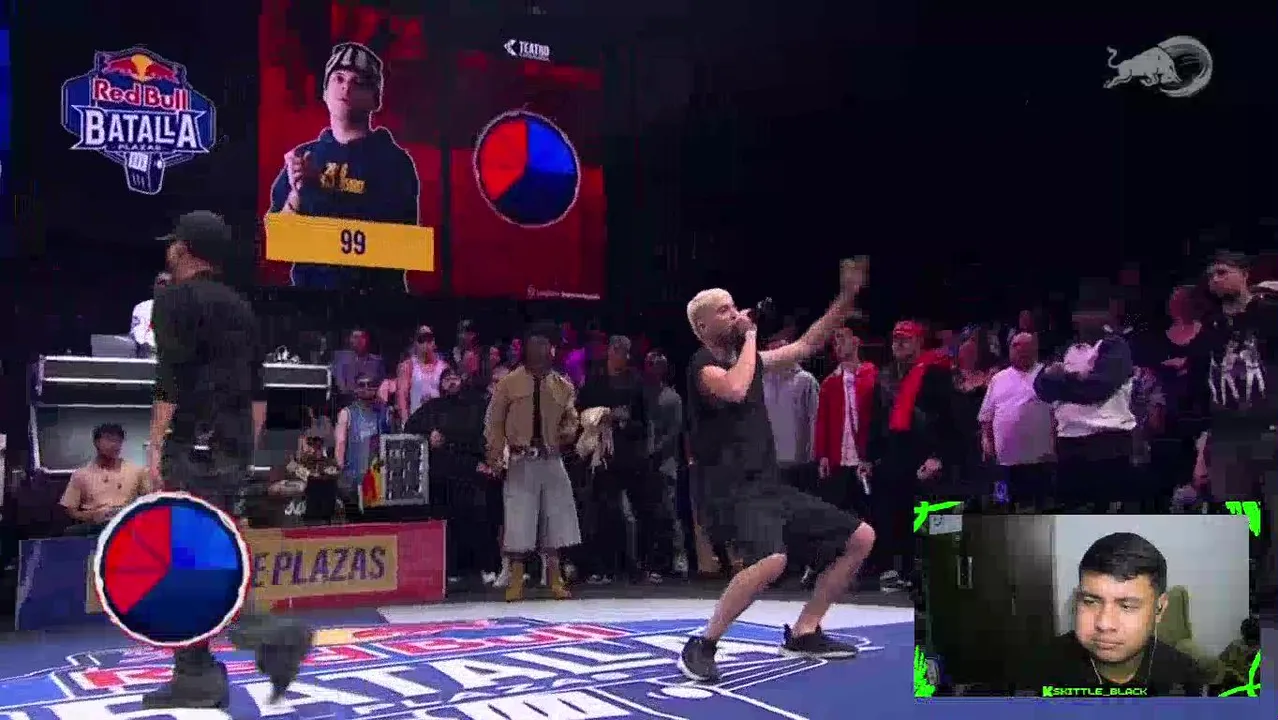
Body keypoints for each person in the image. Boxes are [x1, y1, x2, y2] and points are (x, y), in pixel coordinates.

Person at [145, 211, 313, 709]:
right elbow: (258, 391)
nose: (168, 251)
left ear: (183, 249)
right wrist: (242, 453)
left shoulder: (173, 299)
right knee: (196, 556)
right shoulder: (242, 307)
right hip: (231, 448)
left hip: (192, 448)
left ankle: (270, 636)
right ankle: (196, 672)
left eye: (172, 244)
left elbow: (170, 382)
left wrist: (155, 449)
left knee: (190, 561)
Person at [678, 275, 876, 683]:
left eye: (734, 306)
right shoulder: (703, 366)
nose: (735, 313)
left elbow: (805, 346)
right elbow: (735, 389)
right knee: (772, 559)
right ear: (702, 326)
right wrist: (751, 336)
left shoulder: (748, 361)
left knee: (860, 537)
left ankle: (805, 630)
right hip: (729, 492)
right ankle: (703, 643)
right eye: (723, 311)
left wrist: (844, 298)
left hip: (768, 485)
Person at [267, 41, 419, 291]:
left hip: (375, 303)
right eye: (338, 78)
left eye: (358, 82)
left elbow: (398, 248)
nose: (346, 87)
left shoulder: (394, 162)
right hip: (310, 302)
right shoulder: (303, 157)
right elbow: (277, 243)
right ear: (325, 91)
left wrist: (320, 188)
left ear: (375, 99)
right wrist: (297, 193)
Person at [1028, 532, 1208, 695]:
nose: (1104, 624)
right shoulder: (1037, 670)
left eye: (1127, 606)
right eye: (1090, 601)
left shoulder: (1186, 677)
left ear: (1159, 608)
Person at [485, 322, 582, 602]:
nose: (538, 350)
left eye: (544, 345)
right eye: (533, 344)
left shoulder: (562, 385)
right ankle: (516, 579)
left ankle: (555, 577)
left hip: (551, 458)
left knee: (556, 518)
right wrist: (495, 456)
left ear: (551, 349)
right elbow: (494, 422)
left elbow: (571, 418)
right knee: (519, 520)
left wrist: (567, 433)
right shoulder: (508, 383)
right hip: (520, 459)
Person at [1034, 279, 1136, 512]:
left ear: (1105, 317)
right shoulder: (1065, 349)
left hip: (1107, 441)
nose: (1087, 318)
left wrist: (1062, 379)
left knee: (1106, 513)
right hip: (1069, 441)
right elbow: (1041, 387)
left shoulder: (1115, 347)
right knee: (1072, 511)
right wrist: (1074, 378)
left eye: (1094, 313)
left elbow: (1097, 389)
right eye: (1083, 313)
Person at [407, 367, 494, 583]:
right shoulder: (432, 407)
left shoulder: (475, 406)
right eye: (447, 379)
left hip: (469, 468)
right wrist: (429, 434)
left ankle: (485, 567)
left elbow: (482, 436)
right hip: (442, 471)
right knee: (446, 521)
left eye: (455, 378)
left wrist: (484, 462)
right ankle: (451, 570)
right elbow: (410, 425)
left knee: (477, 519)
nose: (451, 382)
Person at [979, 333, 1056, 510]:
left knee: (1042, 508)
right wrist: (986, 441)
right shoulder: (998, 379)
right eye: (1016, 346)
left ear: (1035, 349)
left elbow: (1058, 413)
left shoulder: (1048, 376)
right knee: (1002, 506)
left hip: (1041, 460)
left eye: (1026, 346)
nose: (1021, 350)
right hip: (1004, 461)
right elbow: (986, 416)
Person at [61, 423, 152, 535]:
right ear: (96, 442)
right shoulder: (81, 474)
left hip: (126, 523)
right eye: (109, 440)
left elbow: (149, 500)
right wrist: (92, 516)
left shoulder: (136, 471)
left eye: (118, 441)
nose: (114, 445)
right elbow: (70, 510)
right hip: (95, 526)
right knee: (71, 532)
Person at [333, 372, 392, 517]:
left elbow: (391, 443)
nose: (366, 388)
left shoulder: (385, 412)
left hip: (378, 478)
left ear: (376, 387)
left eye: (370, 385)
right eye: (361, 385)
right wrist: (340, 472)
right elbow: (340, 444)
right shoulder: (347, 413)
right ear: (355, 388)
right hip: (352, 478)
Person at [396, 325, 448, 426]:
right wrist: (405, 421)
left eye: (429, 340)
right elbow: (402, 395)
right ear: (415, 343)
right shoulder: (408, 366)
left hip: (439, 422)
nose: (425, 344)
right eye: (421, 340)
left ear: (434, 343)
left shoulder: (444, 367)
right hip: (416, 420)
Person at [129, 272, 171, 357]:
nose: (165, 286)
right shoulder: (142, 307)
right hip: (148, 353)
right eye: (161, 283)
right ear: (154, 286)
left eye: (169, 283)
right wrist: (145, 345)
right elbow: (137, 331)